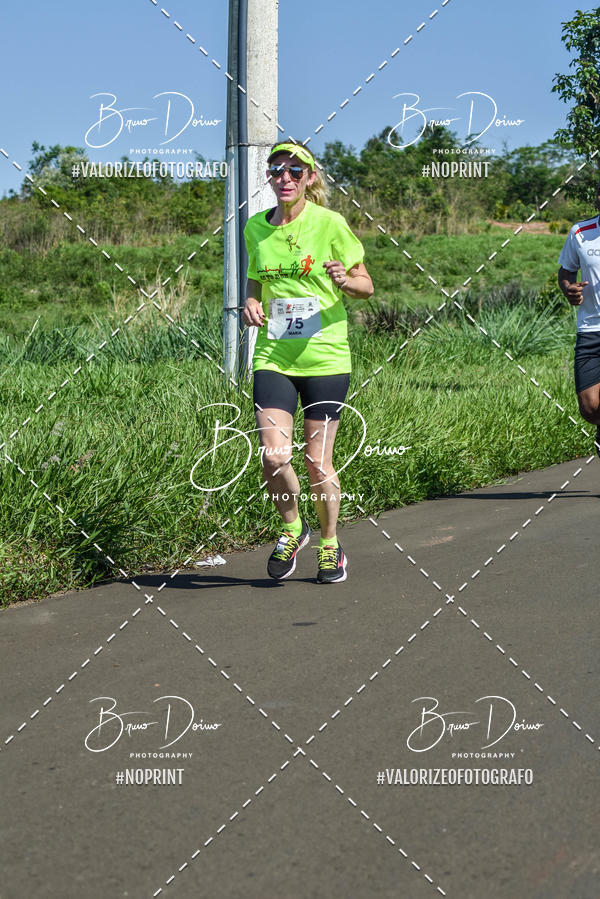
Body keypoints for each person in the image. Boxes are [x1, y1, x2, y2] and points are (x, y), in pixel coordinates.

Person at [242, 141, 374, 583]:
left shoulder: (330, 224)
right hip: (275, 355)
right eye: (277, 169)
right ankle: (292, 527)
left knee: (318, 462)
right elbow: (256, 277)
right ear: (269, 176)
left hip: (325, 358)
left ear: (310, 178)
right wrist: (250, 301)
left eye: (295, 171)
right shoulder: (255, 228)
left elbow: (366, 285)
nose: (285, 177)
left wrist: (346, 280)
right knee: (274, 456)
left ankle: (330, 543)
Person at [558, 180, 600, 455]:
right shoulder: (580, 232)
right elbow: (566, 272)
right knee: (589, 408)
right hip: (590, 328)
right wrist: (569, 290)